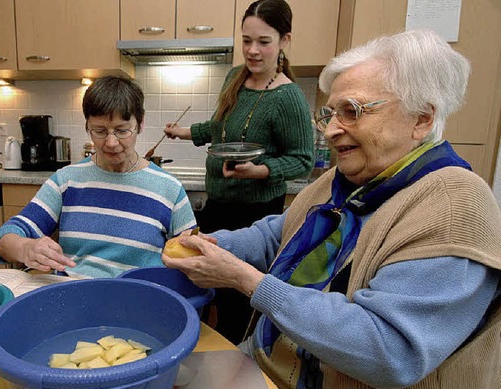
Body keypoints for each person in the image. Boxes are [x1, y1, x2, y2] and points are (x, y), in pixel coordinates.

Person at [162, 29, 501, 388]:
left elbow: (389, 351)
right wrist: (213, 246)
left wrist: (246, 280)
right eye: (331, 114)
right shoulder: (349, 178)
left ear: (421, 119)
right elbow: (280, 233)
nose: (331, 131)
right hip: (263, 366)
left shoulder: (454, 208)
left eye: (352, 111)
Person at [164, 0, 314, 343]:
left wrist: (258, 171)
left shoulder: (288, 97)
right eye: (246, 40)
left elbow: (302, 160)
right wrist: (187, 133)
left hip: (256, 215)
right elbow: (221, 128)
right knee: (205, 285)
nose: (252, 50)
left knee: (238, 303)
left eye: (263, 41)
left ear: (284, 41)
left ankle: (235, 363)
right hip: (218, 203)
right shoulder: (235, 77)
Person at [0, 76, 197, 278]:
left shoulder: (169, 188)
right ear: (87, 127)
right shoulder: (66, 181)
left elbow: (193, 257)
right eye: (99, 131)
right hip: (73, 297)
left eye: (122, 131)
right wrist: (26, 247)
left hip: (138, 301)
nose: (111, 142)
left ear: (140, 124)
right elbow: (5, 237)